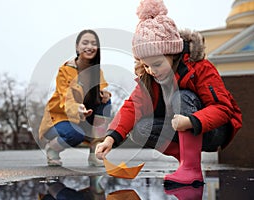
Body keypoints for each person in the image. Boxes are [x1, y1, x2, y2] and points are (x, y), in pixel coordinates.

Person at [96, 0, 242, 186]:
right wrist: (110, 138)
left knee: (182, 96)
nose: (152, 70)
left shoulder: (200, 68)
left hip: (213, 130)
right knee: (141, 128)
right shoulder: (150, 78)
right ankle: (187, 161)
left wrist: (192, 120)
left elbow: (223, 108)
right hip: (182, 128)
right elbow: (132, 106)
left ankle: (191, 169)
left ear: (173, 54)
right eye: (146, 65)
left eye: (156, 64)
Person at [39, 29, 111, 167]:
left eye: (93, 43)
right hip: (60, 118)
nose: (89, 47)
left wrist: (105, 93)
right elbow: (65, 98)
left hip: (83, 118)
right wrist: (77, 108)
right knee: (75, 134)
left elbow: (101, 90)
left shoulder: (97, 72)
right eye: (85, 43)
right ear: (77, 47)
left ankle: (94, 153)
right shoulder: (65, 70)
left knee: (107, 102)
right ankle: (52, 148)